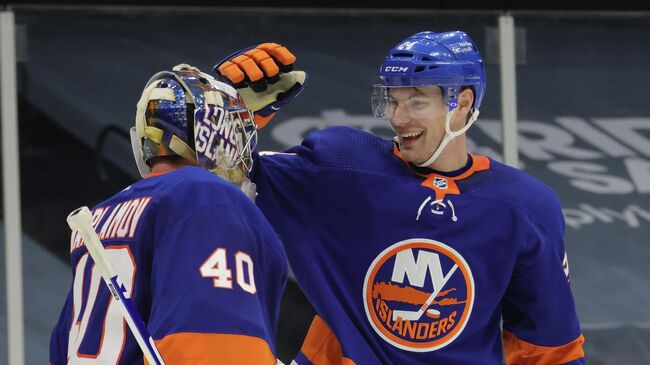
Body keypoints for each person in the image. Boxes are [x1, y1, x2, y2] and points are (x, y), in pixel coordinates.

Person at [213, 32, 586, 365]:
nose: (397, 117)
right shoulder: (340, 166)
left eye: (417, 102)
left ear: (463, 102)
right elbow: (214, 185)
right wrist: (220, 115)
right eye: (392, 100)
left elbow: (550, 350)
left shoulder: (523, 206)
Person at [49, 65, 287, 364]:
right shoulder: (208, 200)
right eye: (235, 133)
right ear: (210, 133)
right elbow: (218, 348)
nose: (240, 151)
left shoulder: (100, 216)